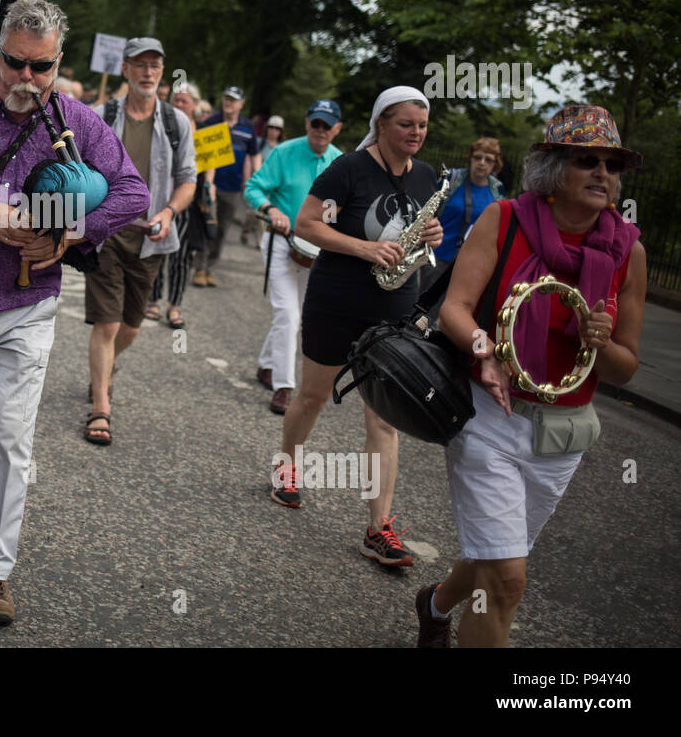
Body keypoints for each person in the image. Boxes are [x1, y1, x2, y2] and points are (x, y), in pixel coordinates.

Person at [0, 0, 149, 622]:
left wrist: (71, 233)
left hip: (30, 305)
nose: (26, 80)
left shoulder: (77, 120)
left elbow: (131, 191)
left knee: (11, 441)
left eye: (41, 69)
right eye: (15, 64)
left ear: (58, 63)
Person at [417, 105, 644, 647]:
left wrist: (601, 341)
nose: (602, 174)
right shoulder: (505, 218)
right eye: (585, 160)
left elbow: (626, 368)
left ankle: (435, 603)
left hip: (561, 435)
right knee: (508, 577)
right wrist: (485, 350)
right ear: (550, 167)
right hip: (489, 416)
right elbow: (455, 308)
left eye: (612, 165)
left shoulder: (627, 252)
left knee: (496, 553)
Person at [270, 86, 443, 569]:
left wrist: (434, 235)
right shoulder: (348, 169)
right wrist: (365, 249)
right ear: (382, 124)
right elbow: (307, 225)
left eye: (422, 125)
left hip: (395, 308)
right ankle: (287, 468)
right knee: (312, 397)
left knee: (384, 417)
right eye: (405, 124)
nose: (415, 133)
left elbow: (420, 235)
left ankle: (378, 528)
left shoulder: (426, 176)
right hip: (337, 301)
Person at [84, 37, 196, 445]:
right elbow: (76, 167)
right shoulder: (101, 115)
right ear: (126, 70)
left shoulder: (176, 122)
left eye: (155, 65)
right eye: (140, 64)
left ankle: (104, 368)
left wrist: (168, 213)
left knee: (131, 327)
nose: (148, 72)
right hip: (107, 234)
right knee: (107, 322)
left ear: (162, 72)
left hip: (152, 237)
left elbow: (188, 181)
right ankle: (100, 406)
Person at [244, 100, 343, 414]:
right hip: (281, 242)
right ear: (306, 123)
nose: (321, 131)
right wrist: (270, 209)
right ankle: (284, 387)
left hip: (317, 250)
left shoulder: (342, 162)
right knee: (288, 313)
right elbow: (254, 187)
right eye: (316, 123)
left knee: (294, 314)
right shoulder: (284, 151)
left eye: (327, 125)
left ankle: (265, 364)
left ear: (337, 128)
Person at [144, 84, 213, 330]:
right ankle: (152, 300)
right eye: (177, 100)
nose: (180, 105)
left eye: (185, 101)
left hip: (190, 203)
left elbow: (210, 167)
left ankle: (175, 305)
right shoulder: (164, 125)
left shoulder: (205, 132)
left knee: (182, 257)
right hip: (162, 198)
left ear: (195, 104)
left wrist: (210, 190)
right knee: (157, 250)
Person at [193, 86, 259, 284]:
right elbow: (198, 153)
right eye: (226, 99)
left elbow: (254, 154)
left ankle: (210, 267)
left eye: (233, 100)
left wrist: (257, 177)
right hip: (209, 185)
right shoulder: (211, 123)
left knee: (222, 230)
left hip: (233, 187)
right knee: (207, 226)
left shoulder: (248, 127)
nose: (228, 103)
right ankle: (199, 268)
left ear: (241, 104)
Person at [433, 137, 505, 267]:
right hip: (437, 255)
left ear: (495, 164)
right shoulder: (452, 178)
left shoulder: (497, 189)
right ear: (470, 158)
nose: (482, 163)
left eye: (488, 159)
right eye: (477, 157)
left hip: (470, 263)